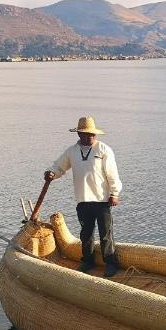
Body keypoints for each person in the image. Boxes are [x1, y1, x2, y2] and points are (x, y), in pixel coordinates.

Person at [44, 115, 122, 277]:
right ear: (79, 134)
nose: (90, 137)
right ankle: (87, 261)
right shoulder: (72, 151)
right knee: (86, 234)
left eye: (92, 134)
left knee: (105, 233)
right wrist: (52, 173)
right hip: (83, 200)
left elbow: (112, 174)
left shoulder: (103, 150)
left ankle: (111, 263)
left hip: (102, 200)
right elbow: (59, 166)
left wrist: (114, 193)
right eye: (86, 134)